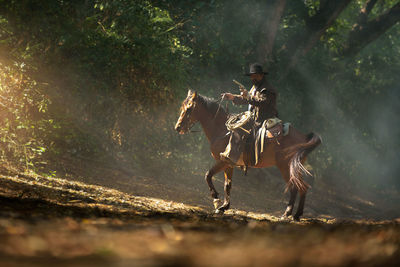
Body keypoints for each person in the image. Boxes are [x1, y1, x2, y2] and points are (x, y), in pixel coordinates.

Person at [220, 63, 278, 165]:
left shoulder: (267, 89)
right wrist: (233, 97)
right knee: (234, 122)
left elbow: (261, 103)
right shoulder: (255, 87)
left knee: (238, 128)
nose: (253, 78)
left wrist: (247, 96)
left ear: (261, 75)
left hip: (263, 118)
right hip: (255, 117)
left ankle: (233, 157)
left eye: (256, 75)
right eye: (252, 76)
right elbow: (248, 99)